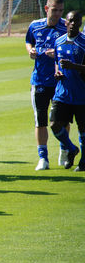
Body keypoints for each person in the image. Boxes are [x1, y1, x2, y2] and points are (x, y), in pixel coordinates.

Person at [25, 0, 69, 170]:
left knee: (63, 120)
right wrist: (31, 50)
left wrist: (58, 54)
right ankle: (43, 158)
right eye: (54, 10)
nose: (58, 14)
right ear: (46, 9)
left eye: (60, 10)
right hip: (40, 80)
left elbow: (75, 49)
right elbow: (29, 40)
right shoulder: (35, 25)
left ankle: (64, 150)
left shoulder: (67, 26)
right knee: (40, 120)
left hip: (61, 81)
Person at [50, 10, 85, 171]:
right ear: (65, 23)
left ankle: (83, 161)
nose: (72, 24)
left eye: (76, 21)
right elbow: (58, 62)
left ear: (80, 24)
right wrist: (57, 72)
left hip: (81, 94)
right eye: (70, 21)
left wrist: (74, 66)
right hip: (62, 92)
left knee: (82, 129)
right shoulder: (59, 41)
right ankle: (71, 149)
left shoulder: (84, 42)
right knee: (54, 124)